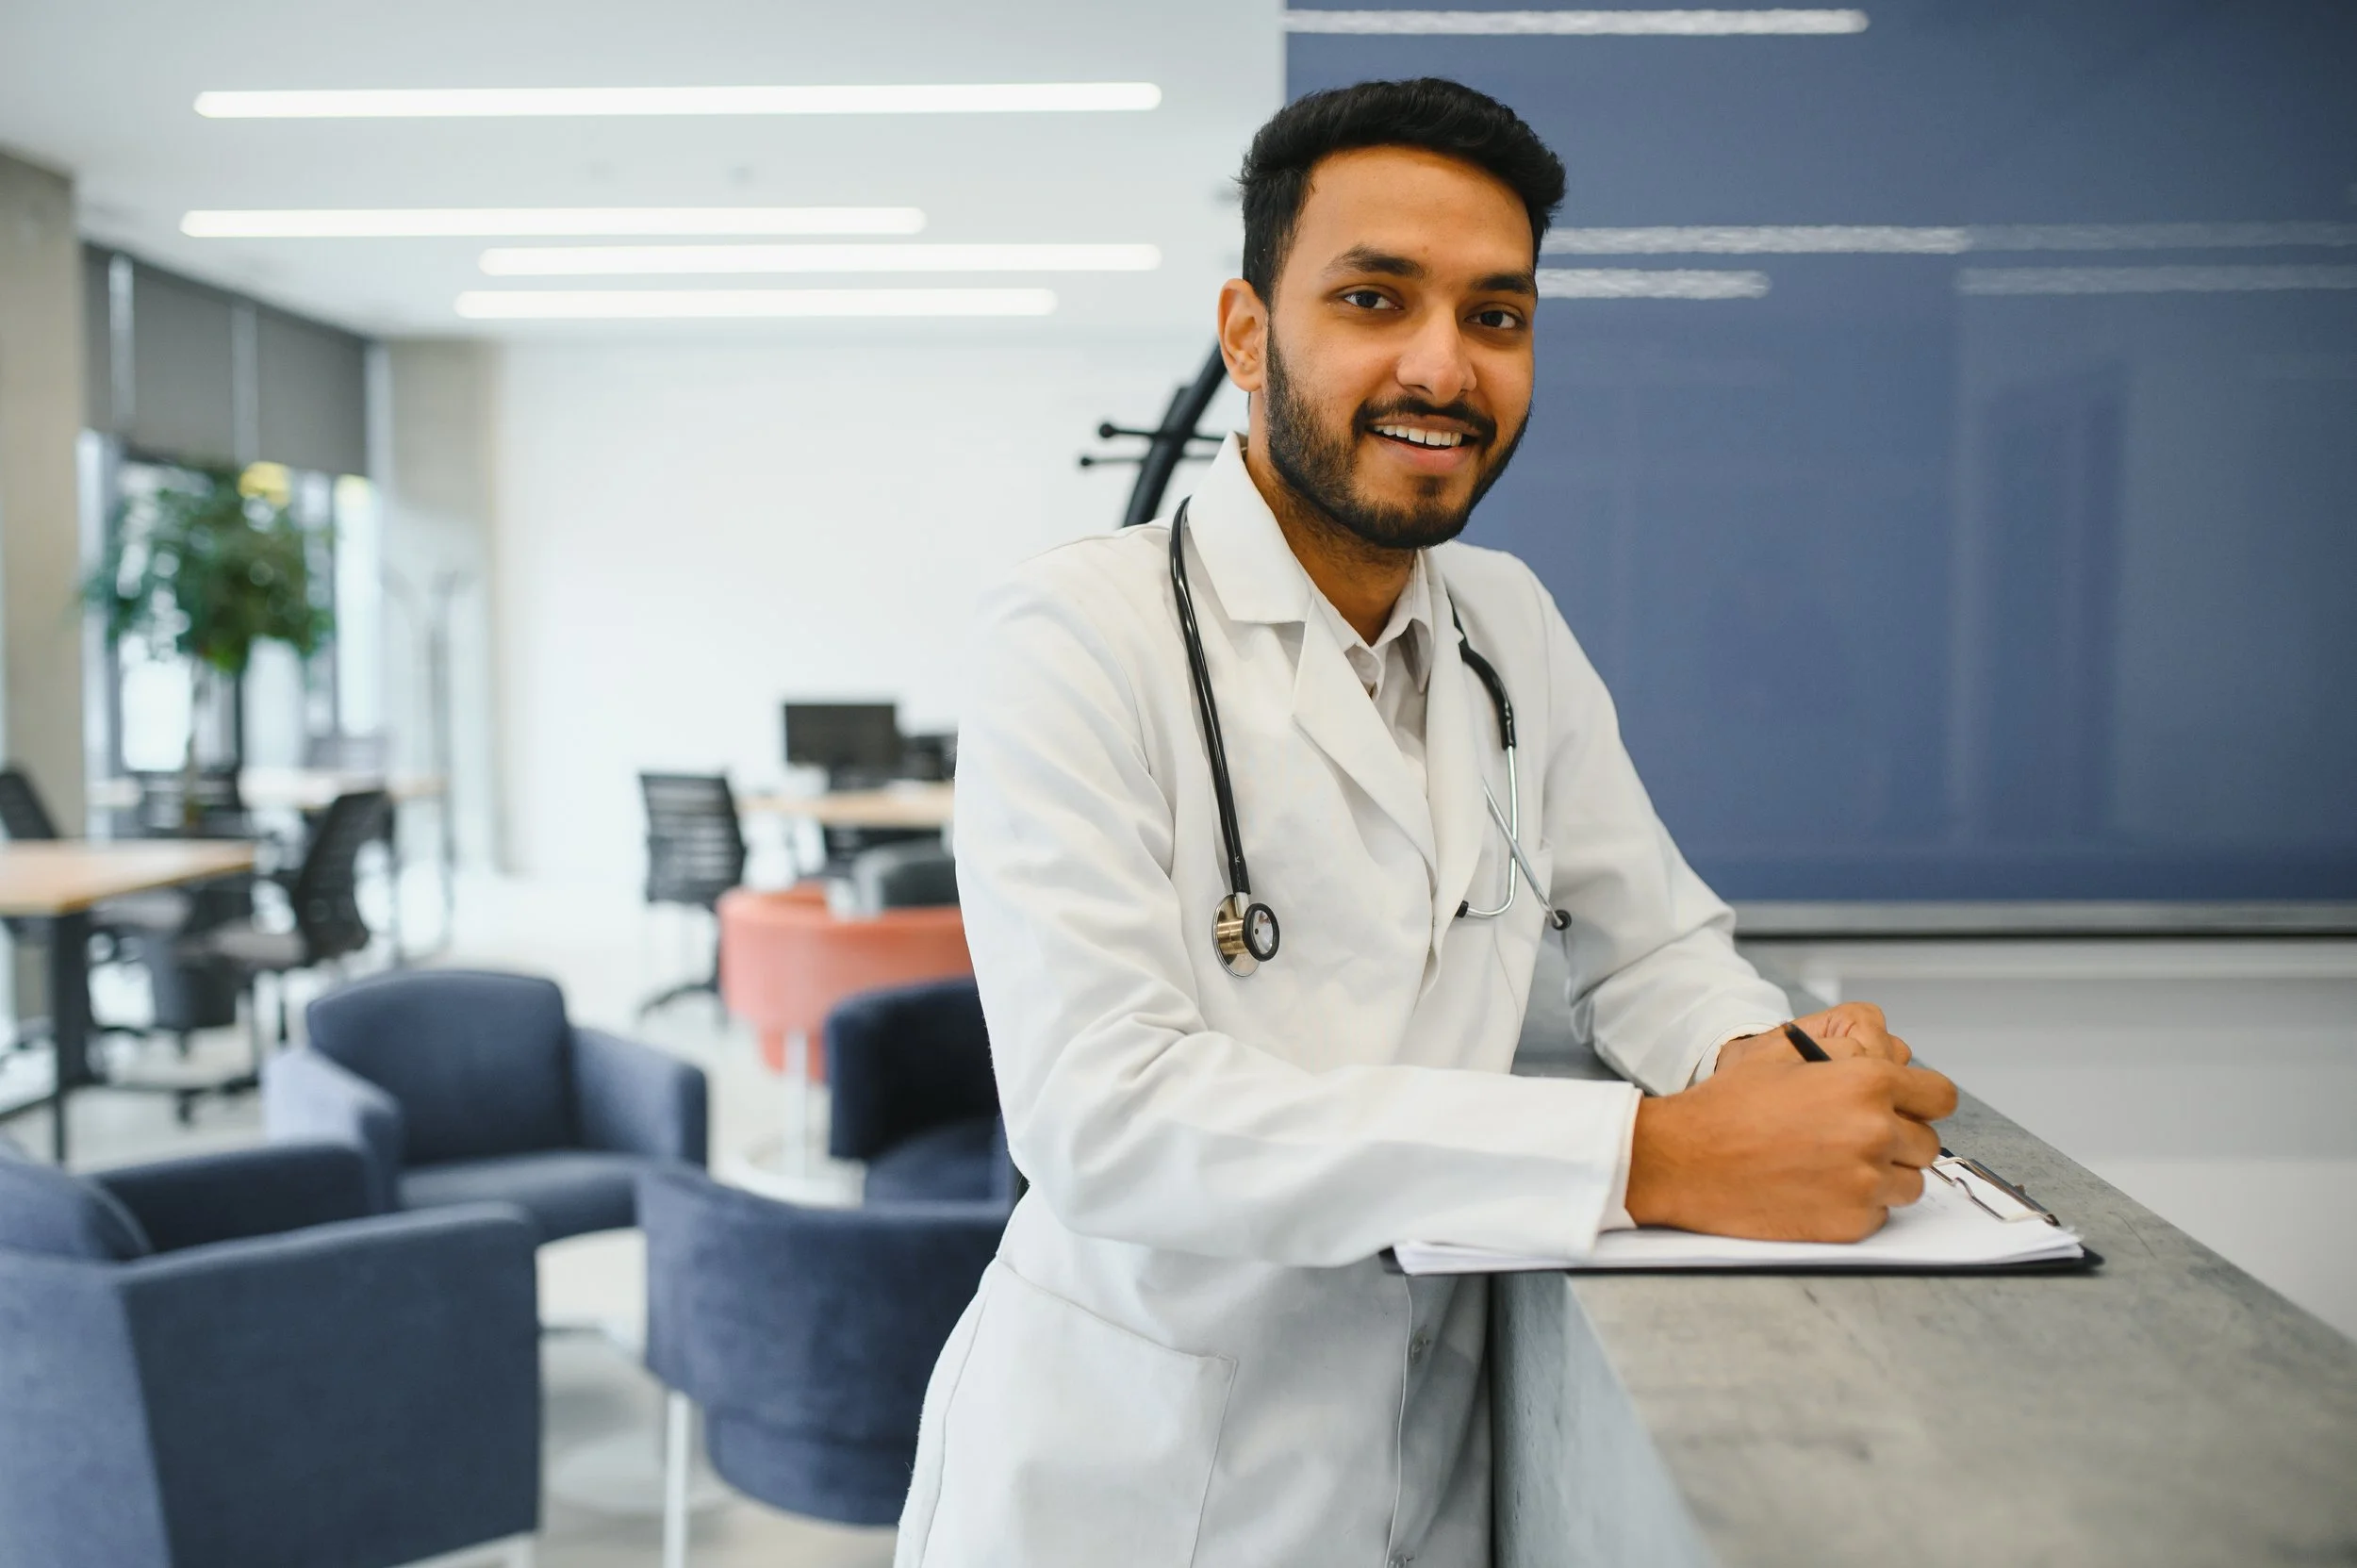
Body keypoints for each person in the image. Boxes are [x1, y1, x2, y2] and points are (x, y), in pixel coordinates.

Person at [896, 77, 1958, 1568]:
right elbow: (1106, 1118)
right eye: (1375, 297)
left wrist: (1763, 1057)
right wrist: (1651, 1154)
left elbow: (1652, 944)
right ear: (1249, 331)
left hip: (1427, 1471)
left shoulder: (1507, 625)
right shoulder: (1077, 634)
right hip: (1129, 1484)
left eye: (1498, 316)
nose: (1443, 365)